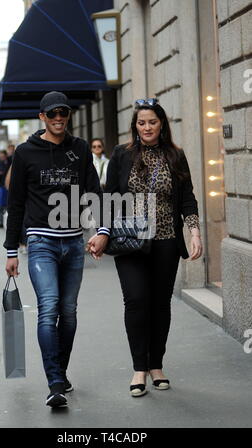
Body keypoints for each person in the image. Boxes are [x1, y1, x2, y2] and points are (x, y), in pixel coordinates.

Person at [87, 99, 202, 397]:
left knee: (160, 304)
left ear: (161, 123)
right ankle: (139, 367)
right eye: (141, 123)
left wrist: (194, 232)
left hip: (165, 240)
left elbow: (187, 197)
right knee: (136, 301)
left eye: (152, 122)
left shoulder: (175, 156)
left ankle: (156, 365)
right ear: (135, 126)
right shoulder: (122, 155)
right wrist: (102, 232)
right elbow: (108, 196)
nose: (147, 127)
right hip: (130, 241)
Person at [4, 91, 105, 408]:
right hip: (41, 242)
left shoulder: (80, 149)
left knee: (69, 313)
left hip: (74, 241)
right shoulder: (25, 152)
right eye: (52, 114)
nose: (58, 118)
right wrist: (10, 250)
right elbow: (16, 201)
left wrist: (102, 230)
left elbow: (93, 190)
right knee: (48, 308)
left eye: (63, 113)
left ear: (68, 115)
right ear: (42, 117)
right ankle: (55, 382)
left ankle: (59, 371)